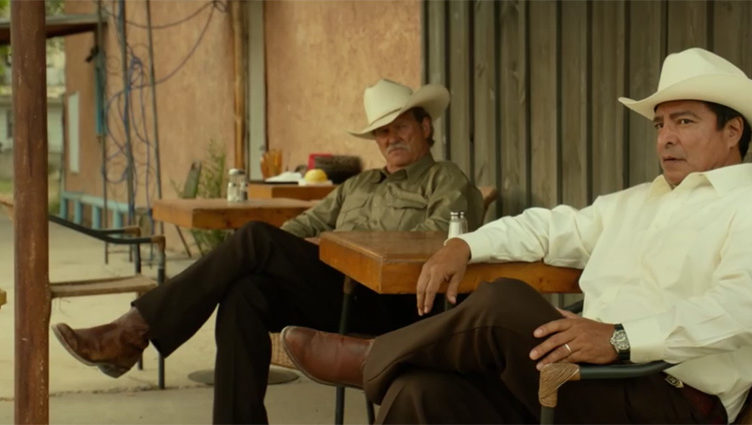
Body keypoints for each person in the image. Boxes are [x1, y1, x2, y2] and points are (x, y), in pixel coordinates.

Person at [282, 47, 752, 424]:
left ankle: (373, 358)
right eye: (660, 124)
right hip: (585, 379)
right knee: (419, 392)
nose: (665, 137)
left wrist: (621, 339)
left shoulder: (745, 204)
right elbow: (547, 227)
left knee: (503, 299)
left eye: (684, 121)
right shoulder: (635, 202)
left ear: (733, 131)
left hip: (671, 399)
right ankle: (387, 363)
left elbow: (737, 309)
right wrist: (465, 244)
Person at [52, 79, 484, 424]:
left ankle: (132, 333)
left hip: (398, 304)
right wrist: (297, 250)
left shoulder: (446, 180)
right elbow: (301, 228)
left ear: (425, 127)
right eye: (383, 131)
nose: (391, 138)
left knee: (256, 237)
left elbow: (436, 244)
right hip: (340, 294)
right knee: (245, 293)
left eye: (401, 127)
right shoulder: (359, 185)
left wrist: (329, 246)